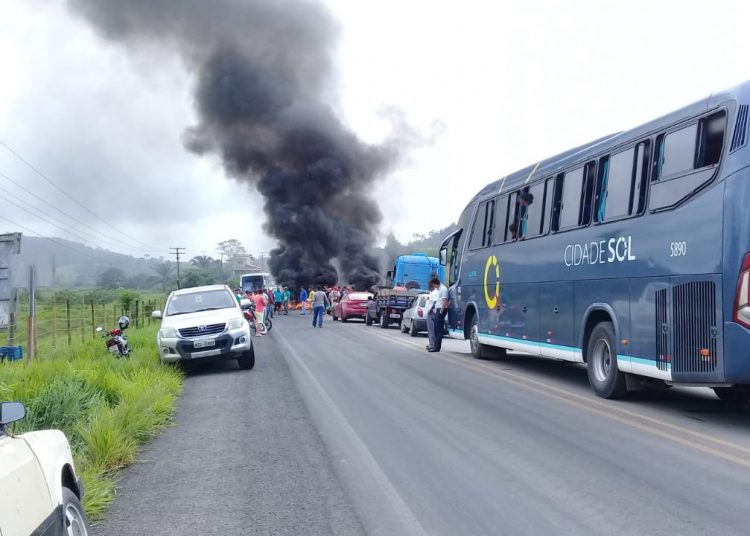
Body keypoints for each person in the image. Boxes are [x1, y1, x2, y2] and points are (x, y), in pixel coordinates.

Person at [427, 276, 449, 352]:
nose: (433, 287)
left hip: (441, 309)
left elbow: (445, 301)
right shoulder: (439, 289)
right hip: (438, 309)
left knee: (438, 329)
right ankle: (435, 346)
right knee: (436, 329)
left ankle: (437, 347)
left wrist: (441, 311)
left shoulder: (443, 289)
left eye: (433, 285)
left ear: (435, 284)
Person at [425, 280, 438, 351]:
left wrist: (430, 309)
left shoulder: (435, 292)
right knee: (430, 330)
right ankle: (431, 343)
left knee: (431, 329)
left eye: (429, 285)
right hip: (430, 312)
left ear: (431, 285)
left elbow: (435, 302)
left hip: (432, 313)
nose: (428, 287)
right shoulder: (431, 292)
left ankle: (432, 344)